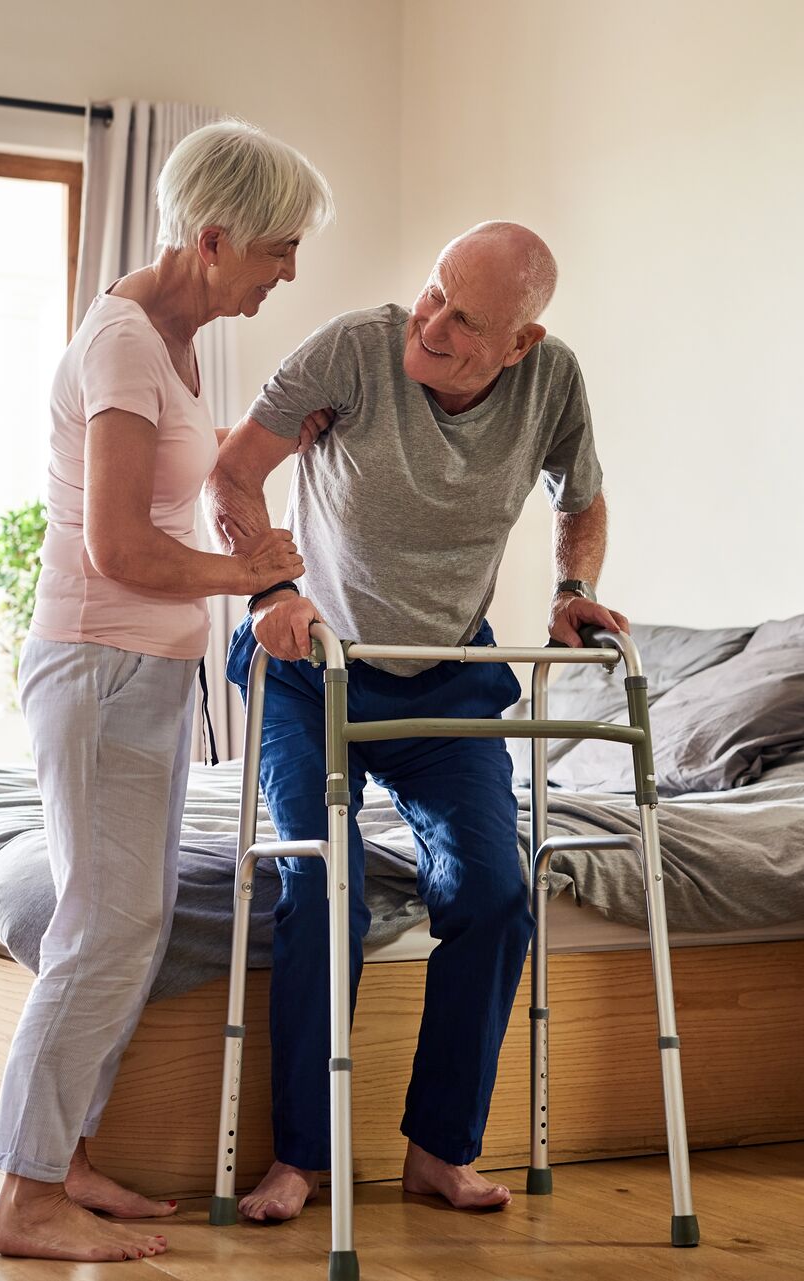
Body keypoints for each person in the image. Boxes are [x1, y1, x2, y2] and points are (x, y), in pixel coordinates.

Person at [206, 220, 630, 1223]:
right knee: (325, 874)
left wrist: (574, 589)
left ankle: (439, 1150)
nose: (431, 323)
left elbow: (586, 499)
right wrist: (271, 588)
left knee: (492, 889)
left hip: (449, 677)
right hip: (316, 669)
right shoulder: (355, 350)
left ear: (521, 342)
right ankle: (300, 1158)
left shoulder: (552, 381)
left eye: (465, 318)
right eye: (434, 293)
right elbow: (232, 473)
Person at [0, 119, 330, 1263]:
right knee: (105, 927)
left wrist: (262, 470)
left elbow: (180, 475)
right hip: (101, 662)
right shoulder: (127, 347)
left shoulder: (174, 347)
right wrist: (262, 576)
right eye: (279, 248)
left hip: (148, 670)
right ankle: (23, 1197)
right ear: (216, 237)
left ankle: (69, 1161)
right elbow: (122, 550)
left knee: (125, 931)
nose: (289, 271)